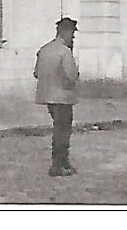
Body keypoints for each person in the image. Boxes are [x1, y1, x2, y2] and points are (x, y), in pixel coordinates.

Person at [35, 17, 81, 176]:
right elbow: (72, 76)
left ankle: (63, 162)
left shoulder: (44, 49)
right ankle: (58, 165)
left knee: (58, 129)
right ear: (66, 32)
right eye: (72, 34)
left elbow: (36, 73)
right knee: (62, 132)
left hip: (47, 97)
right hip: (63, 97)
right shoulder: (65, 51)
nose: (73, 37)